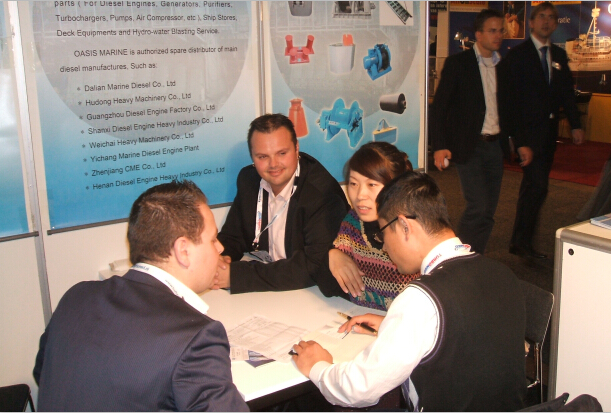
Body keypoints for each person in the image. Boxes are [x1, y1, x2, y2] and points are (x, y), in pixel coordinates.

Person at [291, 171, 526, 411]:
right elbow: (469, 335)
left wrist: (318, 366)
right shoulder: (502, 273)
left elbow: (358, 389)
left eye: (383, 233)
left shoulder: (421, 300)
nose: (385, 246)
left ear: (404, 226)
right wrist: (393, 325)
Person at [33, 181, 248, 412]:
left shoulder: (76, 296)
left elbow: (43, 373)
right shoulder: (194, 339)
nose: (220, 248)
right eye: (213, 239)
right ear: (183, 251)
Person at [216, 113, 349, 295]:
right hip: (271, 292)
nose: (273, 164)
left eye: (282, 153)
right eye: (263, 156)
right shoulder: (248, 180)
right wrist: (221, 260)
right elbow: (233, 237)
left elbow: (313, 266)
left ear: (296, 148)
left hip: (310, 296)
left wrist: (236, 276)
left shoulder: (322, 194)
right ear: (252, 156)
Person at [500, 1, 584, 259]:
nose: (547, 21)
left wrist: (576, 124)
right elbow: (509, 101)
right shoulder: (518, 55)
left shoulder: (557, 55)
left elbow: (566, 92)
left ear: (555, 24)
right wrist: (518, 140)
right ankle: (522, 243)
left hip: (548, 133)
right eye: (542, 16)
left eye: (551, 18)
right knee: (537, 185)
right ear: (532, 22)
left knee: (535, 187)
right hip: (527, 134)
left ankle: (520, 240)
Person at [430, 8, 508, 254]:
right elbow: (439, 107)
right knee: (478, 206)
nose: (498, 35)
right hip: (469, 146)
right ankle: (457, 257)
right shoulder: (459, 64)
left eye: (501, 31)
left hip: (495, 146)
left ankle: (475, 256)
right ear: (478, 34)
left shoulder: (503, 65)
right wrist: (439, 145)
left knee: (489, 211)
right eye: (492, 31)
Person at [328, 142, 419, 310]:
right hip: (359, 317)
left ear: (396, 186)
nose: (360, 195)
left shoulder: (414, 229)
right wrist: (333, 254)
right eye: (353, 184)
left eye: (372, 185)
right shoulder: (353, 223)